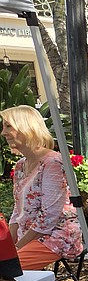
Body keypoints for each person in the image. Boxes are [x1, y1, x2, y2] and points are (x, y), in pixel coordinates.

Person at [1, 105, 83, 270]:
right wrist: (7, 247)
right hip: (29, 235)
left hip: (57, 236)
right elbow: (18, 213)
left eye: (8, 126)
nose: (3, 132)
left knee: (6, 269)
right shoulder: (20, 166)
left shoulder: (53, 162)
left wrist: (16, 249)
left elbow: (48, 218)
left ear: (27, 127)